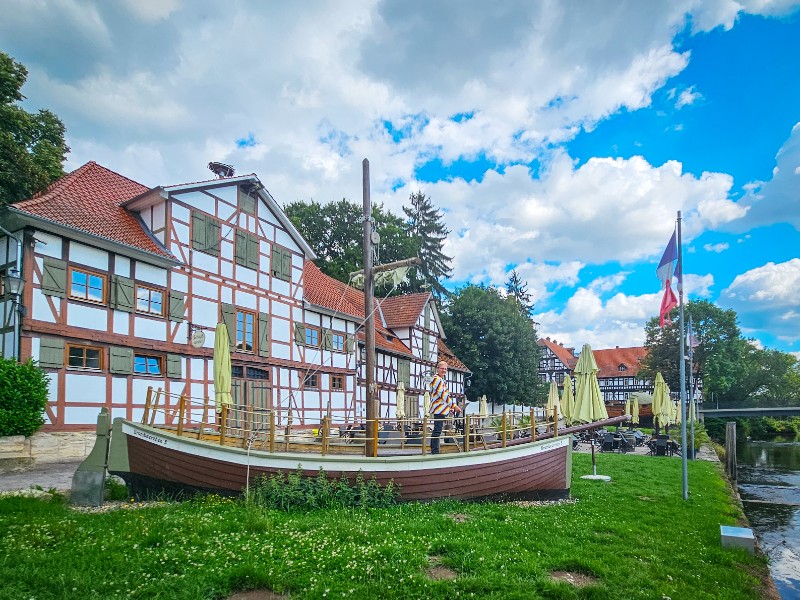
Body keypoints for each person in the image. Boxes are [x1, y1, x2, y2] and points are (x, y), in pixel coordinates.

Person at [428, 360, 461, 454]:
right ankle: (435, 451)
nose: (444, 370)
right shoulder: (437, 379)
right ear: (437, 369)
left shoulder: (440, 379)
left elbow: (442, 397)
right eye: (442, 368)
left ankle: (435, 449)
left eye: (445, 369)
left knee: (438, 429)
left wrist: (449, 408)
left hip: (441, 408)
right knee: (437, 430)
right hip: (438, 409)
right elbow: (443, 395)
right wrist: (454, 406)